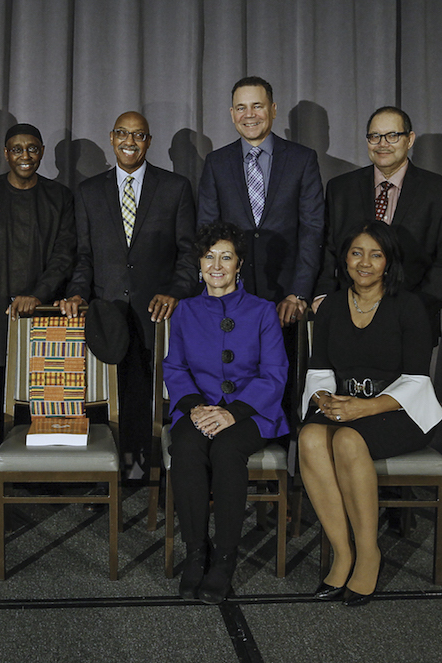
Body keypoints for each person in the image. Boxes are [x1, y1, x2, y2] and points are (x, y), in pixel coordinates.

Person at [299, 222, 442, 607]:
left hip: (398, 410)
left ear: (389, 261)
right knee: (311, 437)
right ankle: (341, 551)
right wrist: (323, 399)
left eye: (376, 254)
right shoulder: (330, 305)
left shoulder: (411, 306)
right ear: (344, 258)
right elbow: (318, 369)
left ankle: (368, 553)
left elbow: (416, 380)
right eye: (356, 253)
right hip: (343, 403)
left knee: (348, 439)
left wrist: (364, 407)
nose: (365, 262)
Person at [60, 111, 196, 476]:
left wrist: (175, 292)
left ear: (148, 141)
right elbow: (84, 257)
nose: (130, 142)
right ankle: (111, 472)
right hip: (108, 315)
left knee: (151, 396)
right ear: (111, 136)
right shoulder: (89, 192)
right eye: (123, 133)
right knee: (110, 396)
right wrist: (76, 293)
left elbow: (188, 254)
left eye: (138, 136)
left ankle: (150, 470)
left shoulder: (175, 188)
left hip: (158, 313)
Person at [164, 221, 289, 603]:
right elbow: (175, 369)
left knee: (226, 450)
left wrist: (233, 413)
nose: (216, 265)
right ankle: (196, 553)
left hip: (252, 414)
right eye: (209, 257)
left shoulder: (264, 311)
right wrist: (196, 409)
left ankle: (224, 559)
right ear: (199, 264)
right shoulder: (184, 311)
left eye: (226, 257)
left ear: (239, 264)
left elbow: (274, 374)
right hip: (198, 409)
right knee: (185, 445)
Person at [0, 123, 76, 487]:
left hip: (42, 314)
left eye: (31, 149)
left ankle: (41, 473)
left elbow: (64, 255)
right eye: (16, 149)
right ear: (6, 153)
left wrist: (39, 294)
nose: (24, 156)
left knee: (42, 388)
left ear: (41, 151)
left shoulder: (59, 196)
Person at [314, 106, 442, 345]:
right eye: (374, 136)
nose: (382, 143)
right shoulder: (341, 189)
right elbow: (328, 250)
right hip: (346, 319)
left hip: (411, 324)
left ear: (409, 140)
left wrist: (412, 309)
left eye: (392, 136)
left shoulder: (439, 192)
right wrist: (324, 297)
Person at [197, 76, 324, 327]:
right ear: (232, 114)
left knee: (280, 366)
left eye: (257, 106)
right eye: (241, 108)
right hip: (230, 297)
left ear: (273, 109)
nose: (249, 115)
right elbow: (207, 231)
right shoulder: (216, 163)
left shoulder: (302, 160)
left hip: (285, 301)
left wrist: (298, 293)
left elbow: (312, 230)